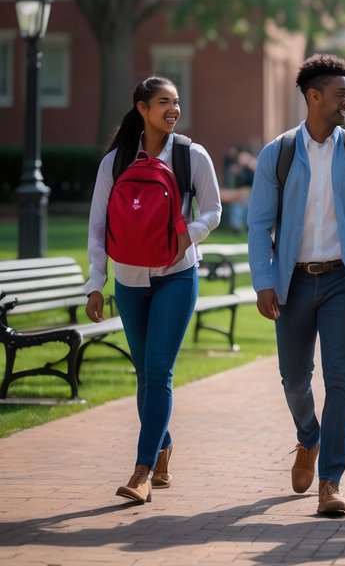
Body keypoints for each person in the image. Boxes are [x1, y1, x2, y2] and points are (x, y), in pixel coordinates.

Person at [247, 54, 345, 515]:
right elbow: (259, 223)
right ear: (313, 96)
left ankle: (331, 480)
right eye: (341, 93)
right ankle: (309, 437)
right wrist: (264, 280)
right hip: (293, 282)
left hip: (343, 283)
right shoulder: (279, 153)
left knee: (341, 382)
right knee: (293, 380)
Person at [83, 76, 222, 504]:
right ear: (142, 108)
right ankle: (162, 446)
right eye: (164, 102)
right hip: (128, 279)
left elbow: (214, 210)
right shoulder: (116, 162)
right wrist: (95, 283)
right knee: (145, 374)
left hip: (176, 275)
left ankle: (141, 471)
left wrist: (189, 235)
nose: (173, 109)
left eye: (176, 102)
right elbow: (98, 226)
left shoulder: (190, 155)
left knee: (159, 371)